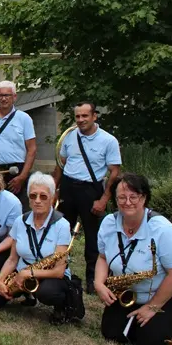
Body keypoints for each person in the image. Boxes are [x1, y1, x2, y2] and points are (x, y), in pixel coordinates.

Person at [94, 173, 172, 345]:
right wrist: (99, 283)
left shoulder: (162, 229)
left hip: (162, 291)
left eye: (133, 196)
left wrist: (152, 308)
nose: (127, 202)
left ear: (144, 197)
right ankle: (142, 319)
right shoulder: (108, 223)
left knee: (152, 344)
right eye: (121, 197)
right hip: (128, 292)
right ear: (115, 199)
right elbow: (102, 257)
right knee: (112, 334)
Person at [0, 172, 73, 323]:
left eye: (43, 196)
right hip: (22, 273)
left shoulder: (62, 225)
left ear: (52, 198)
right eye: (33, 196)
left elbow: (59, 271)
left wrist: (28, 273)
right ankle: (27, 294)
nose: (37, 201)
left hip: (49, 276)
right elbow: (12, 259)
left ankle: (61, 306)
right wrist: (0, 280)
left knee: (47, 292)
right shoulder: (20, 221)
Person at [54, 101, 122, 292]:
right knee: (61, 231)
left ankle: (93, 280)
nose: (81, 120)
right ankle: (60, 272)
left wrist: (104, 199)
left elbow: (114, 172)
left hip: (90, 189)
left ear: (94, 116)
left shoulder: (108, 140)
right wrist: (54, 191)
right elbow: (61, 165)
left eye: (85, 116)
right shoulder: (68, 137)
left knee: (93, 237)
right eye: (78, 116)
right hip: (68, 187)